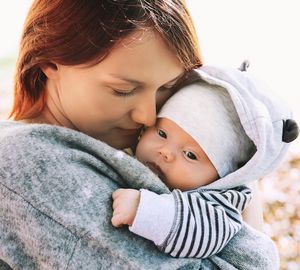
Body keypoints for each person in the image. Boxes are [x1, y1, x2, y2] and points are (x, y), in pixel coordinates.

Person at [0, 0, 281, 269]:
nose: (148, 116)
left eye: (168, 88)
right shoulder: (30, 165)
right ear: (50, 62)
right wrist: (242, 184)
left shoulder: (94, 146)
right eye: (123, 90)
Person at [111, 72, 299, 258]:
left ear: (222, 177)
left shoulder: (220, 201)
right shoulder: (123, 151)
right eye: (162, 134)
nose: (166, 152)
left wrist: (145, 211)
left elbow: (207, 233)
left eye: (190, 155)